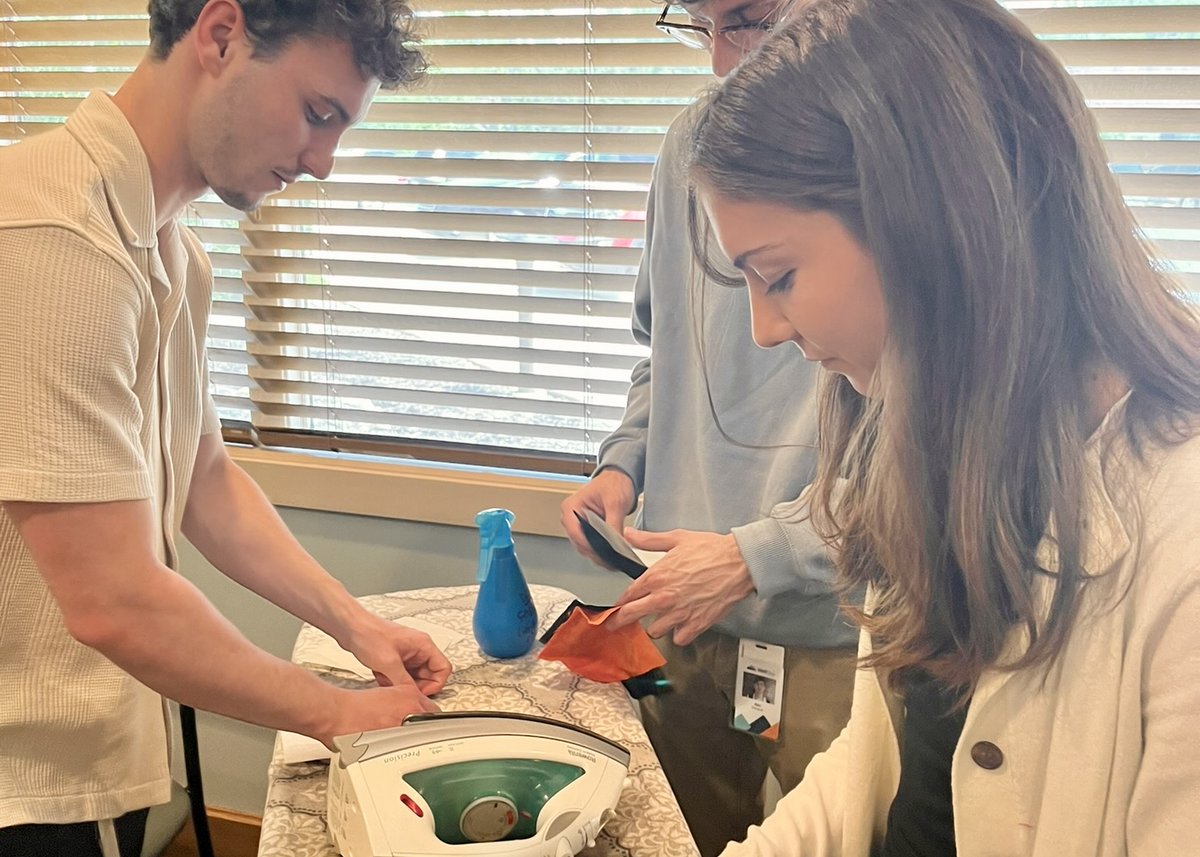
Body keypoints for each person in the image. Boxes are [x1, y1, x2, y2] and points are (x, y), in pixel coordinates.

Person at [685, 0, 1200, 853]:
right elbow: (885, 755)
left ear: (935, 227)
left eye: (777, 276)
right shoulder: (934, 452)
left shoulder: (1179, 540)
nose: (764, 331)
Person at [0, 2, 452, 854]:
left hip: (104, 742)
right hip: (24, 784)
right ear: (220, 35)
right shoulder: (52, 239)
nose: (322, 163)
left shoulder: (172, 250)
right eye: (318, 114)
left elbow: (204, 479)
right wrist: (336, 712)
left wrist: (356, 626)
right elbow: (112, 602)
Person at [559, 2, 858, 853]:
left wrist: (757, 554)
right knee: (667, 835)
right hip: (683, 615)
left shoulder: (890, 165)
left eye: (750, 23)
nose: (723, 64)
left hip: (832, 625)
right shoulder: (686, 147)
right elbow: (665, 350)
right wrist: (621, 467)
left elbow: (924, 455)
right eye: (700, 27)